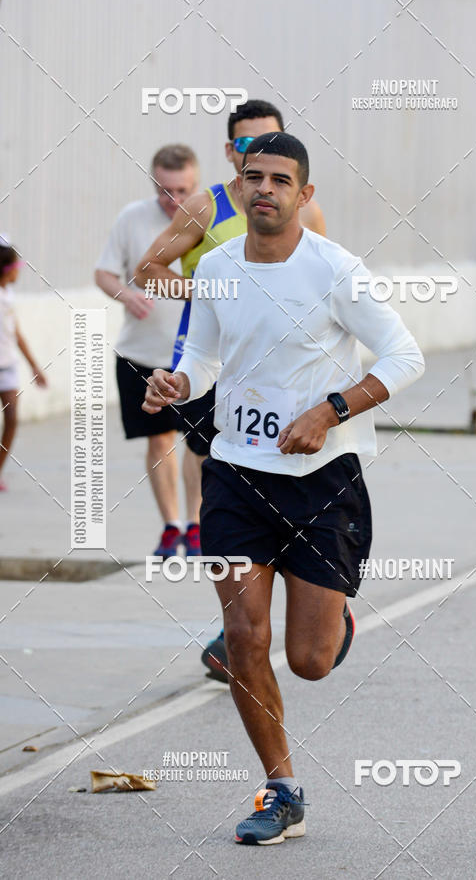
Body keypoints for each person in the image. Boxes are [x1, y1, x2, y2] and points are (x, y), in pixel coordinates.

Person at [142, 133, 425, 844]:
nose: (263, 188)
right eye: (253, 177)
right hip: (235, 475)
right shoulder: (217, 269)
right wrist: (179, 383)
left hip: (321, 480)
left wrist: (330, 411)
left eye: (280, 179)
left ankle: (335, 625)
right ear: (238, 187)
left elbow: (405, 356)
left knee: (309, 661)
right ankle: (281, 789)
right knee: (243, 636)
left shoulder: (336, 271)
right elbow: (202, 357)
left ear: (305, 195)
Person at [134, 100, 326, 679]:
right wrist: (206, 293)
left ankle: (316, 606)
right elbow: (147, 271)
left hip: (286, 380)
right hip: (211, 370)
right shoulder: (205, 205)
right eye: (247, 150)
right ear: (229, 153)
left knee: (283, 488)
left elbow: (330, 289)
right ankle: (238, 622)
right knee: (225, 489)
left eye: (272, 145)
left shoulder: (307, 214)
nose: (261, 161)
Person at [95, 144, 204, 557]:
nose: (172, 199)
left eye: (181, 189)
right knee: (159, 442)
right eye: (164, 189)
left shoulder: (207, 214)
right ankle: (171, 526)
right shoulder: (132, 218)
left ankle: (196, 525)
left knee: (197, 444)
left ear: (194, 183)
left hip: (194, 356)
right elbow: (104, 273)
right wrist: (128, 296)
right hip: (140, 352)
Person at [0, 242, 47, 491]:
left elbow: (16, 334)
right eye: (17, 266)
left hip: (7, 367)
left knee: (11, 418)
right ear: (7, 269)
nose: (19, 272)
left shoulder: (8, 295)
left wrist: (34, 367)